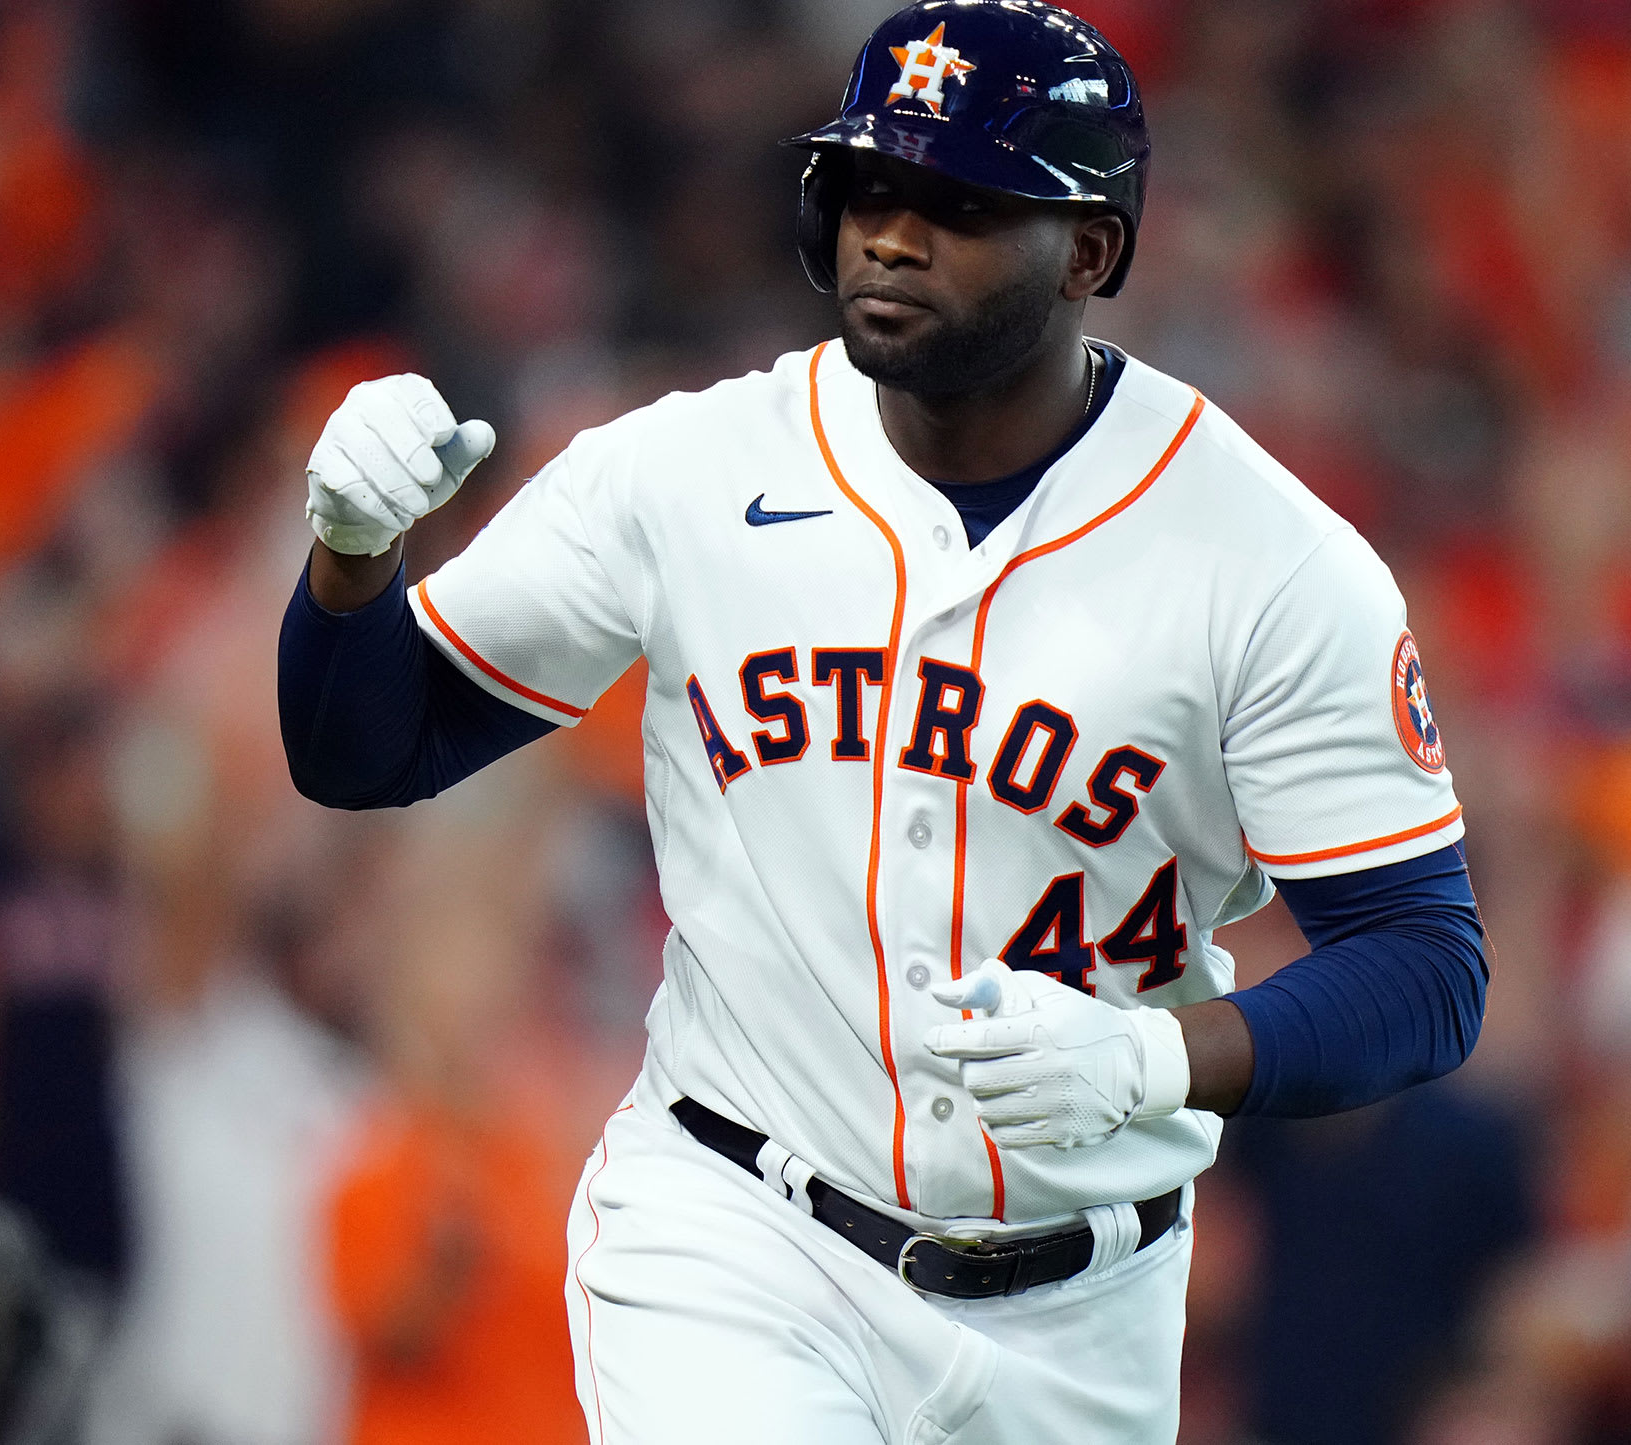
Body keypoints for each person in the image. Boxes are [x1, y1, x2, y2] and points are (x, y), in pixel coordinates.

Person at [275, 4, 1490, 1441]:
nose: (893, 237)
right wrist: (353, 562)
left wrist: (1158, 1057)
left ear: (1092, 249)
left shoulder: (1267, 562)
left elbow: (1423, 969)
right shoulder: (686, 474)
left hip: (1083, 1314)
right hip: (738, 1238)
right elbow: (366, 745)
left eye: (960, 204)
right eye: (868, 187)